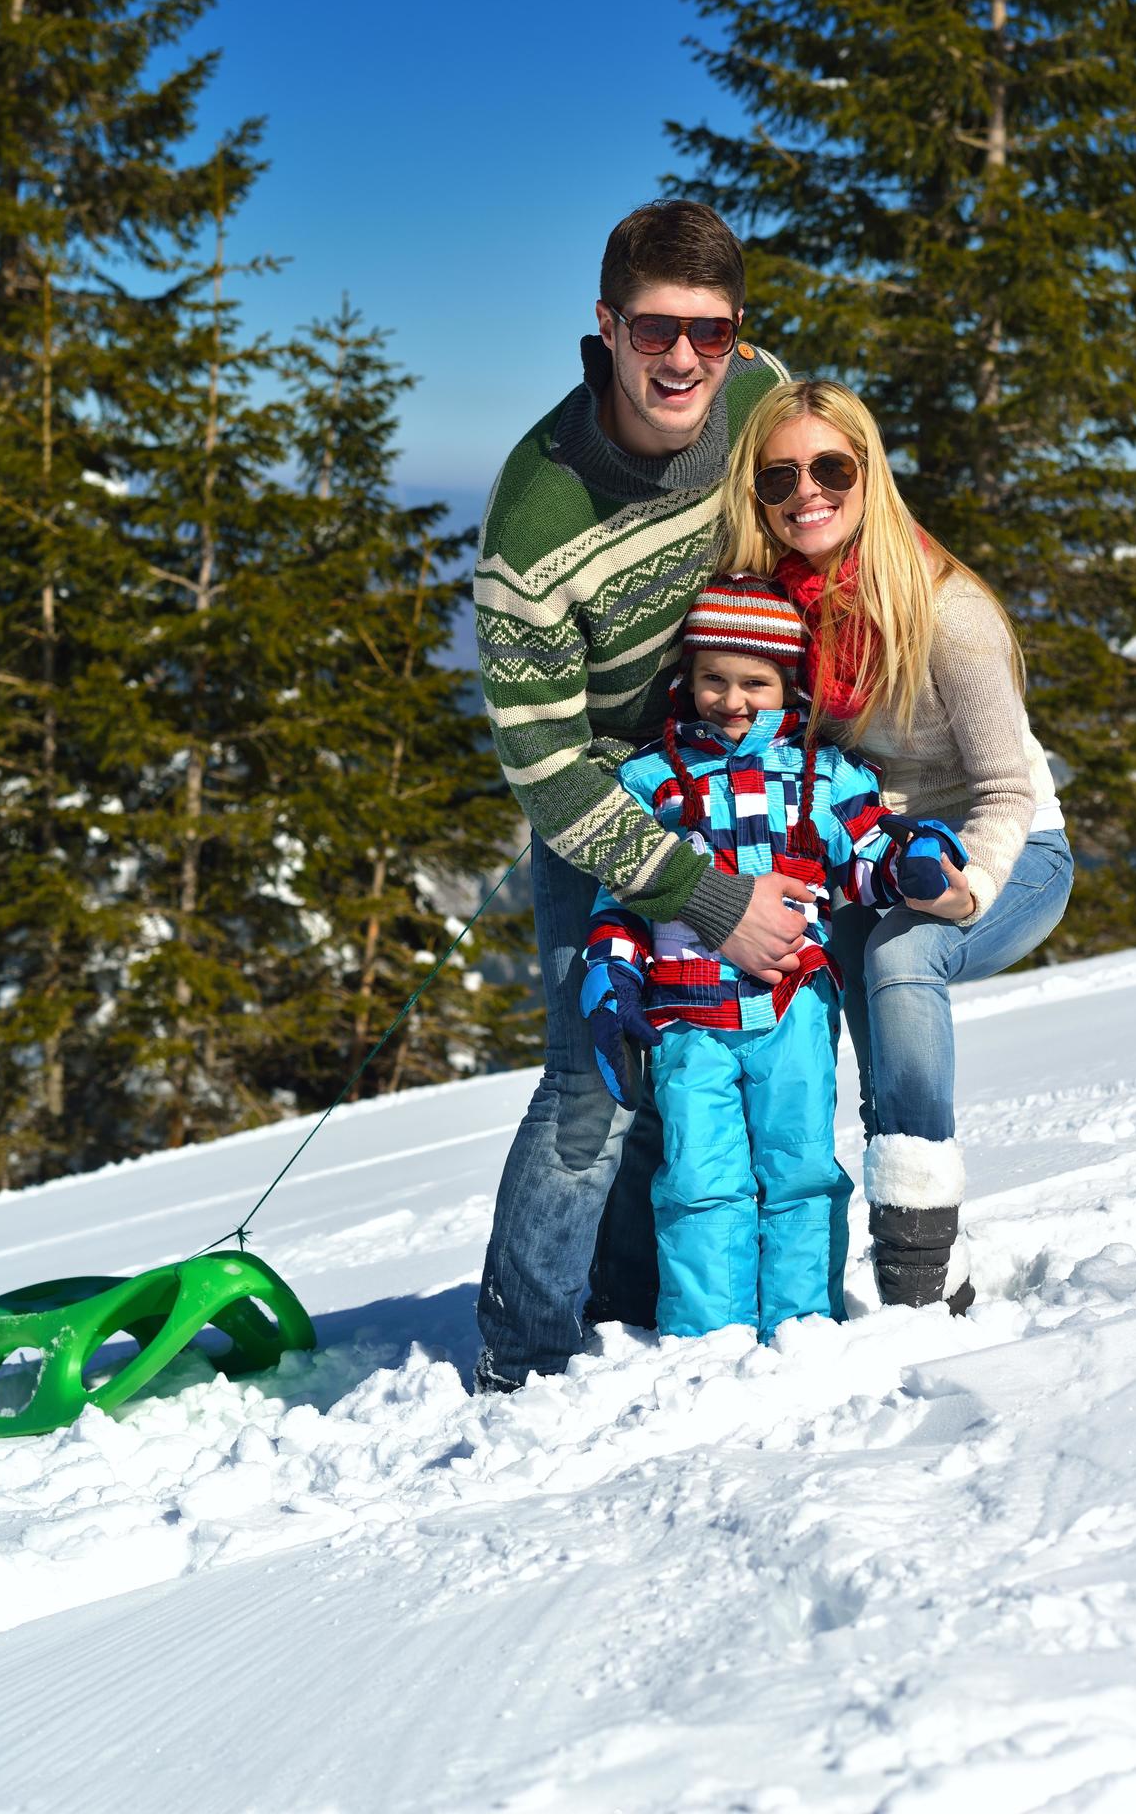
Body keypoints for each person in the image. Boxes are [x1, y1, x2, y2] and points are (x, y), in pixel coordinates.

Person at [472, 201, 800, 1392]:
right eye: (655, 328)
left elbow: (829, 489)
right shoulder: (536, 515)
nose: (682, 360)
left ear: (737, 337)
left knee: (694, 1055)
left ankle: (629, 1291)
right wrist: (707, 898)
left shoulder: (759, 394)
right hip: (605, 796)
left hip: (730, 769)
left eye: (708, 334)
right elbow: (549, 770)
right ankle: (524, 1354)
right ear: (605, 327)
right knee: (594, 1078)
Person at [715, 380, 1074, 1314]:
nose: (808, 492)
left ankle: (915, 1278)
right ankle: (821, 1243)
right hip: (877, 852)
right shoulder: (780, 610)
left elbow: (1008, 789)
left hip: (1011, 848)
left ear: (871, 473)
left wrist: (971, 885)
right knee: (828, 966)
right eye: (780, 475)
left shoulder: (947, 614)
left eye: (831, 468)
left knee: (904, 953)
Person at [579, 574, 917, 1340]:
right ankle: (708, 1335)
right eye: (713, 680)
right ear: (688, 679)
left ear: (787, 683)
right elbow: (625, 894)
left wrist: (910, 863)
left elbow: (864, 857)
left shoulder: (824, 775)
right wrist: (612, 972)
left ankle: (802, 1324)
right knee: (699, 1178)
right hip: (685, 1014)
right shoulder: (652, 781)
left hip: (791, 1004)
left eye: (755, 683)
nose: (732, 701)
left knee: (798, 1169)